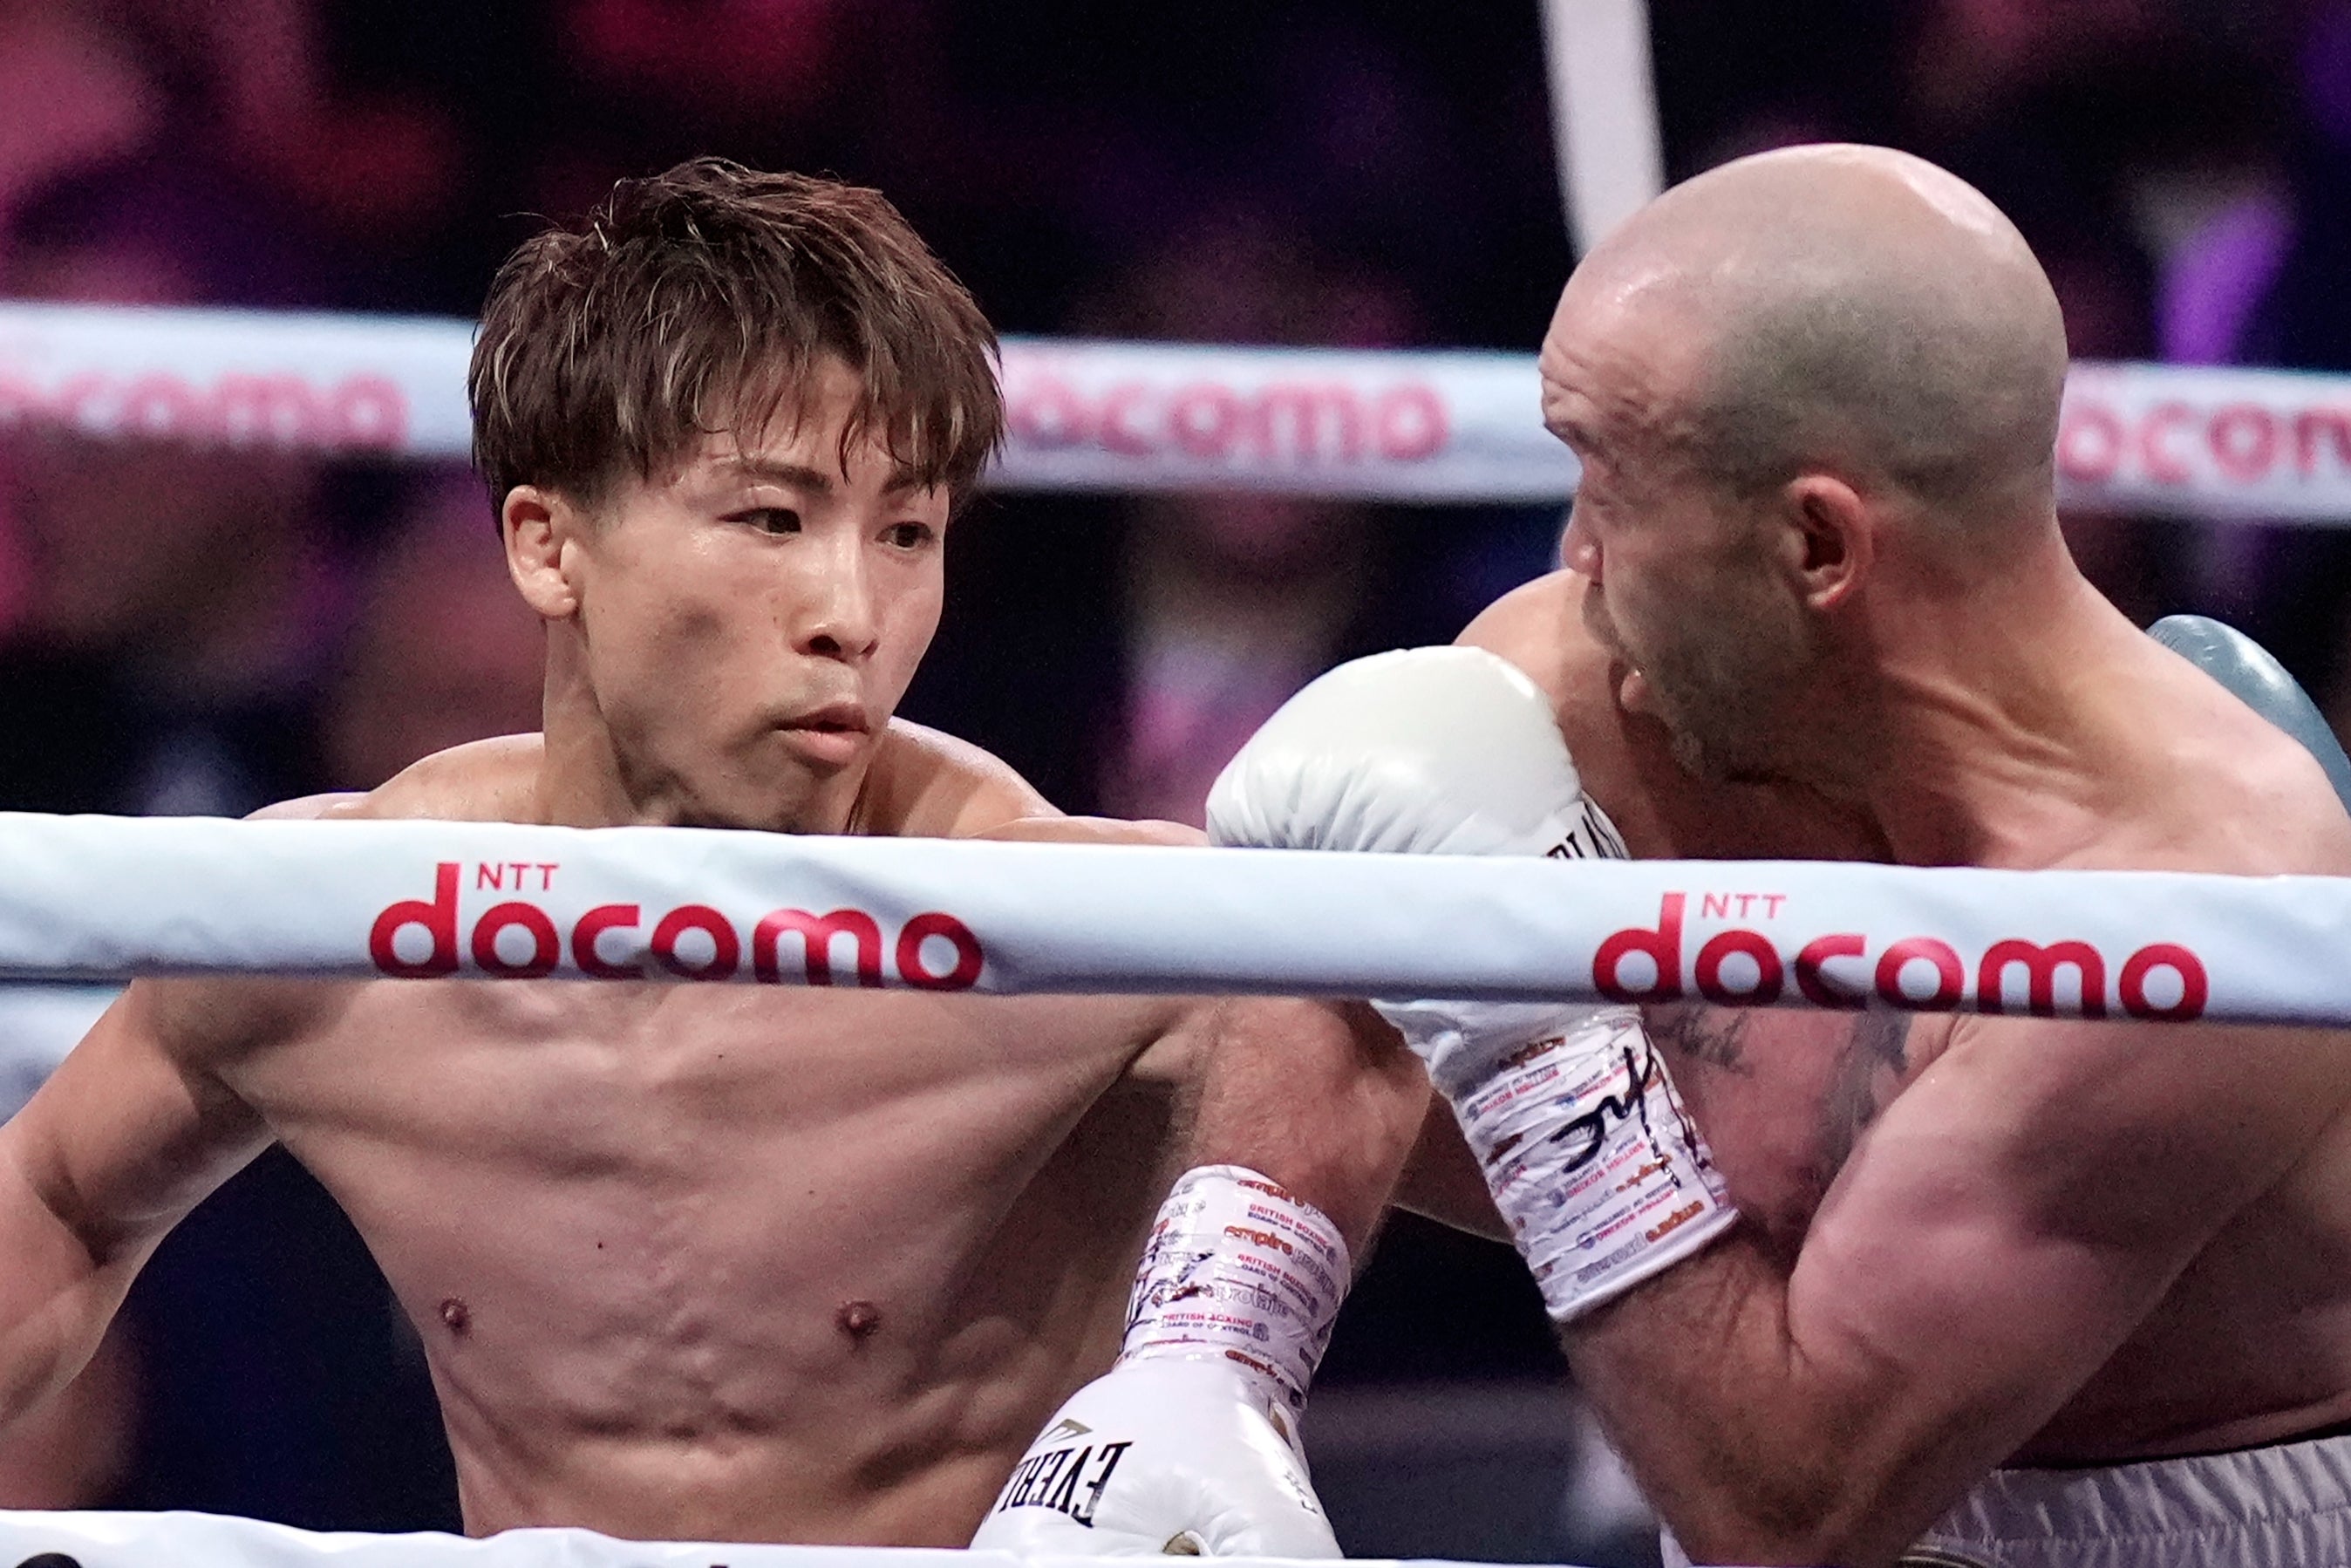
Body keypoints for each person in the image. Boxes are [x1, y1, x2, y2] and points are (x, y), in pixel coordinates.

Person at [0, 159, 1428, 1549]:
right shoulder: (340, 919)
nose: (852, 610)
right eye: (772, 518)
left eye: (908, 530)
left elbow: (1565, 1158)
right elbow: (55, 1205)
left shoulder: (1080, 933)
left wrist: (1224, 1361)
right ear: (549, 546)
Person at [1211, 144, 2351, 1567]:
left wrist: (1536, 1040)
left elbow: (1789, 1511)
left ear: (1816, 544)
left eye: (1608, 489)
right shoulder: (1595, 675)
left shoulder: (2190, 902)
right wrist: (1206, 1366)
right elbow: (1311, 978)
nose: (1570, 552)